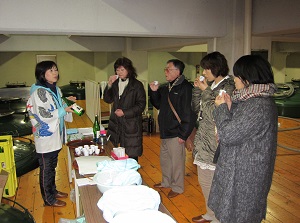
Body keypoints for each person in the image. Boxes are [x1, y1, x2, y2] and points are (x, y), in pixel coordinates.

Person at [208, 55, 278, 223]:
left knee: (241, 216)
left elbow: (228, 135)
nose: (235, 79)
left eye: (237, 75)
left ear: (247, 78)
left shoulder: (257, 105)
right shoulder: (250, 100)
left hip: (245, 175)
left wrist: (222, 108)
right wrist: (230, 108)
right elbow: (240, 129)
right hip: (240, 170)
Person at [191, 51, 235, 223]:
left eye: (206, 69)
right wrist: (197, 89)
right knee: (204, 181)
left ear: (215, 68)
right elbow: (196, 109)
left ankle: (219, 218)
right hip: (204, 141)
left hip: (217, 143)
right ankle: (210, 214)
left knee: (217, 185)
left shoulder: (228, 86)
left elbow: (216, 114)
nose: (203, 73)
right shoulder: (212, 86)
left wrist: (206, 90)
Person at [26, 61, 75, 207]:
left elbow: (57, 107)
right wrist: (63, 110)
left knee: (52, 166)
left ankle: (52, 191)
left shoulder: (55, 89)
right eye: (50, 70)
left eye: (55, 70)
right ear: (42, 74)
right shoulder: (39, 91)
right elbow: (43, 114)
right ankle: (48, 199)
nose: (55, 73)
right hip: (46, 137)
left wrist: (66, 102)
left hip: (55, 135)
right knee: (46, 168)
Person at [149, 59, 196, 198]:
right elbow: (158, 105)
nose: (165, 72)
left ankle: (178, 187)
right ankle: (166, 182)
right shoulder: (167, 87)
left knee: (177, 162)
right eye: (165, 69)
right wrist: (154, 92)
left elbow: (189, 113)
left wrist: (183, 134)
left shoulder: (186, 88)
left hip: (176, 132)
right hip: (165, 130)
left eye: (168, 69)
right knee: (165, 159)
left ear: (177, 72)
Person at [103, 57, 146, 162]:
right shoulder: (115, 83)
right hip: (116, 125)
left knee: (131, 157)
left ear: (129, 70)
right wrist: (109, 84)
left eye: (122, 69)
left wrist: (125, 112)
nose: (120, 72)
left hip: (131, 126)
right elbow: (107, 99)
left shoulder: (137, 85)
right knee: (115, 156)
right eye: (117, 70)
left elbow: (141, 105)